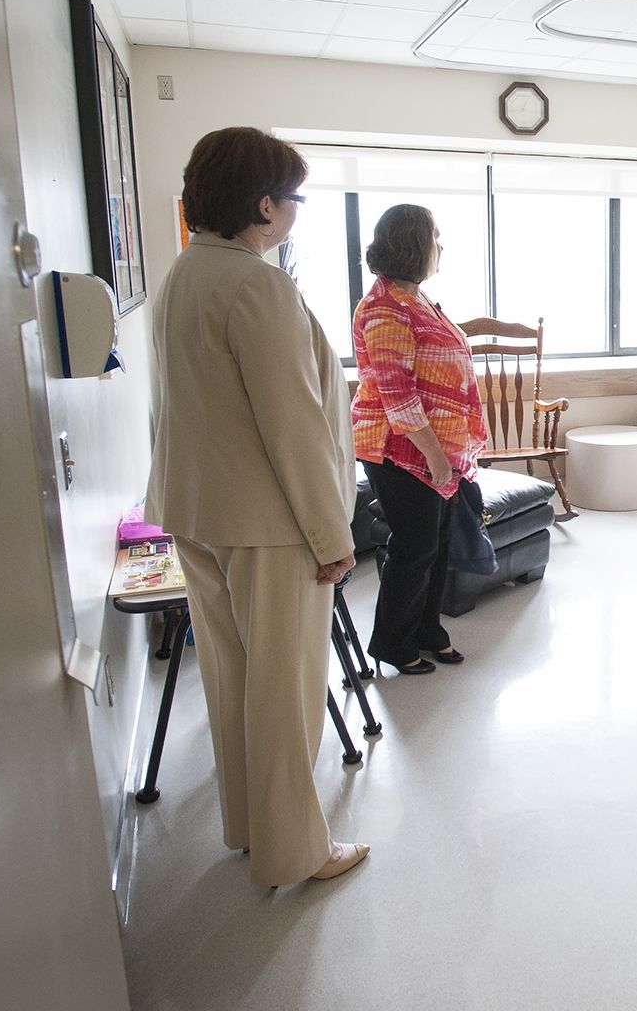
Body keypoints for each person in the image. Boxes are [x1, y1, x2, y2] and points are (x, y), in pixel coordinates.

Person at [145, 126, 369, 885]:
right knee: (285, 692)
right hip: (270, 526)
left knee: (233, 682)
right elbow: (294, 424)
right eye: (296, 198)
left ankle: (249, 827)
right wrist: (331, 534)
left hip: (197, 509)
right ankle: (296, 851)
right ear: (265, 205)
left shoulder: (182, 274)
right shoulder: (256, 284)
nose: (297, 212)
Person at [352, 203, 488, 676]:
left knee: (437, 546)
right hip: (401, 450)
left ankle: (428, 631)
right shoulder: (384, 308)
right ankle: (392, 641)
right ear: (414, 244)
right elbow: (398, 396)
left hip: (434, 451)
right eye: (436, 236)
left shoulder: (416, 298)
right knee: (414, 549)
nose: (441, 246)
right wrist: (435, 456)